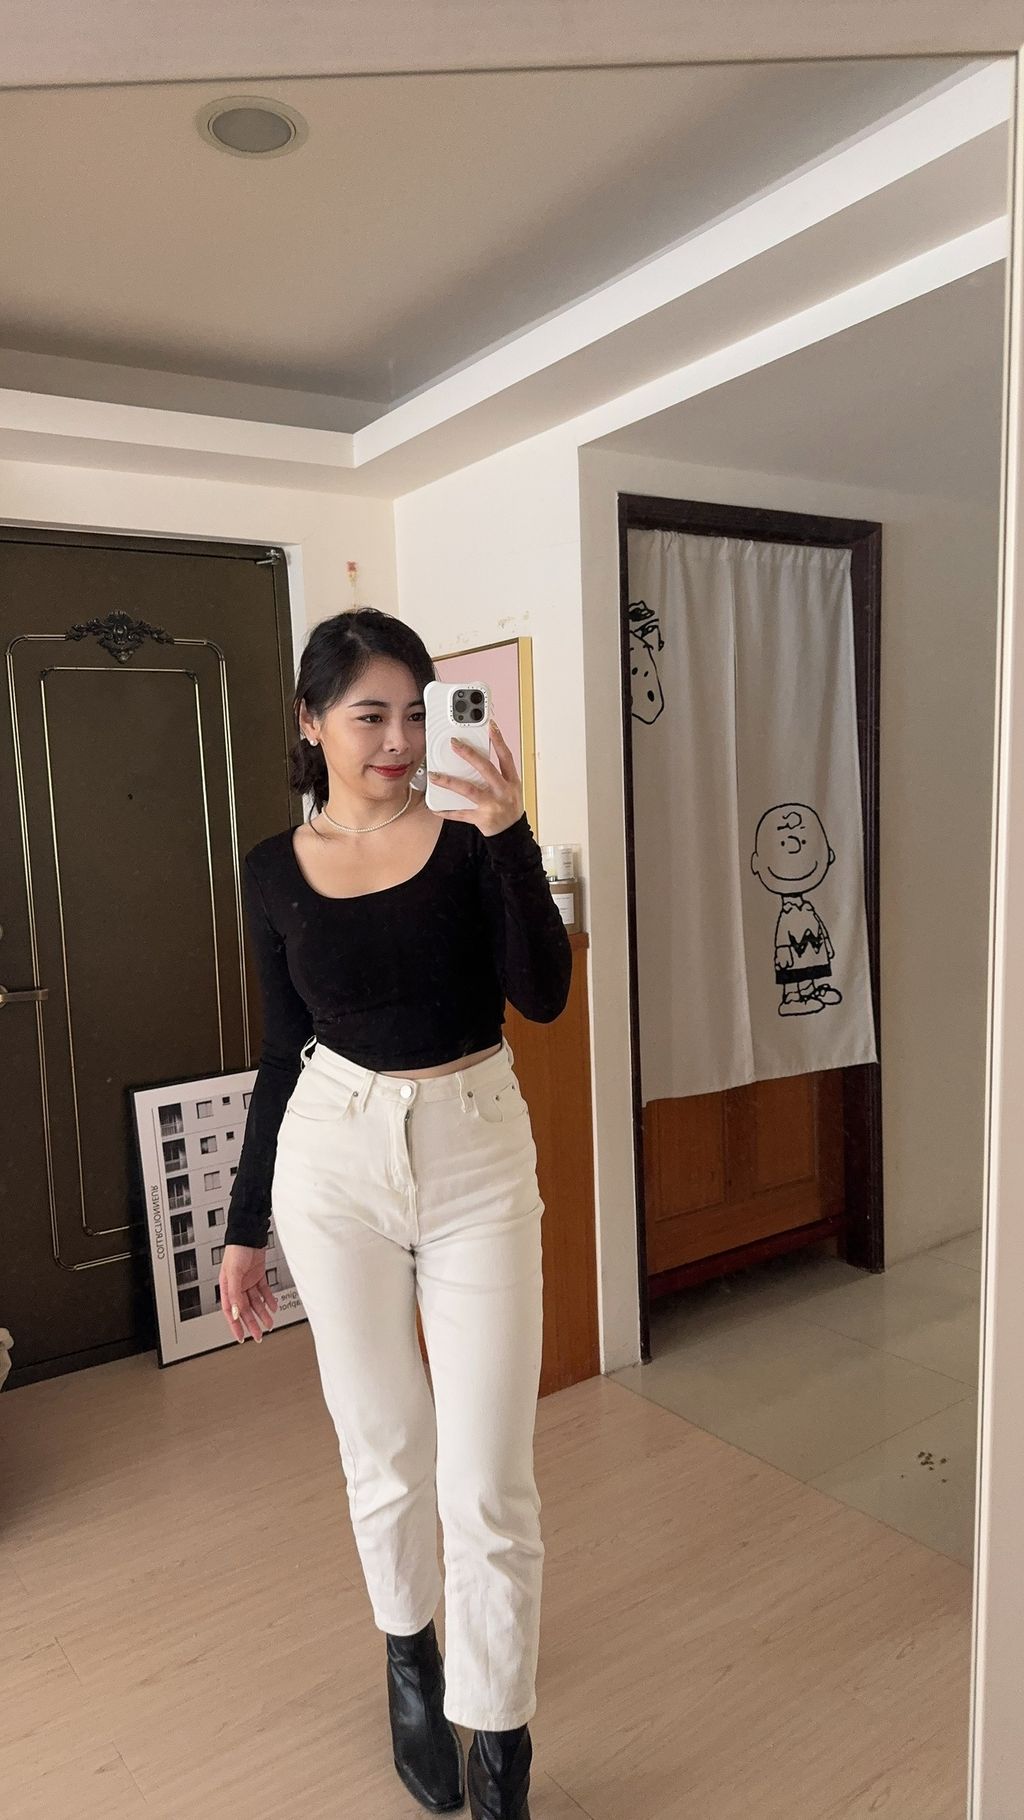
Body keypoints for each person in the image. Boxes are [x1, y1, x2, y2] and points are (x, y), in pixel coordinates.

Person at [219, 607, 572, 1820]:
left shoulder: (471, 840)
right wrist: (246, 1224)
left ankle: (502, 1744)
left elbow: (543, 995)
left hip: (476, 1151)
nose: (400, 740)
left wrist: (512, 834)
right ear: (311, 722)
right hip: (334, 1158)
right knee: (384, 1447)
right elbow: (281, 1050)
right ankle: (411, 1658)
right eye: (370, 714)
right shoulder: (272, 869)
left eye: (416, 713)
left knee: (488, 1475)